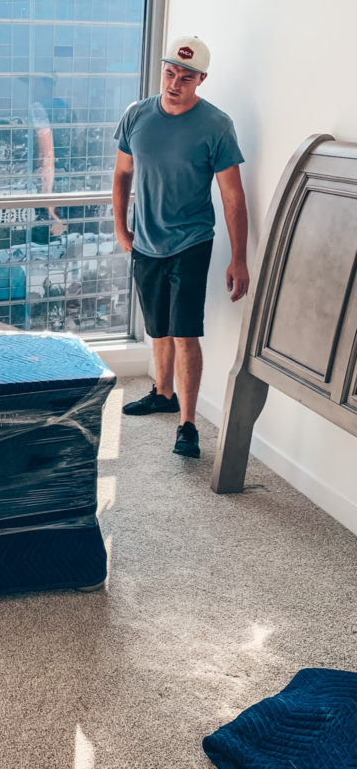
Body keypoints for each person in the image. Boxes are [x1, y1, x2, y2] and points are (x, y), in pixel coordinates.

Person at [112, 35, 249, 459]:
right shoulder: (136, 115)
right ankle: (162, 392)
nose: (174, 83)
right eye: (169, 73)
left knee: (185, 332)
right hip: (146, 242)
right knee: (158, 327)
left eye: (185, 78)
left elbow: (233, 197)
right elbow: (121, 175)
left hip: (192, 241)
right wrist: (122, 230)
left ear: (201, 80)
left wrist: (239, 258)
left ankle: (187, 425)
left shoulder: (216, 126)